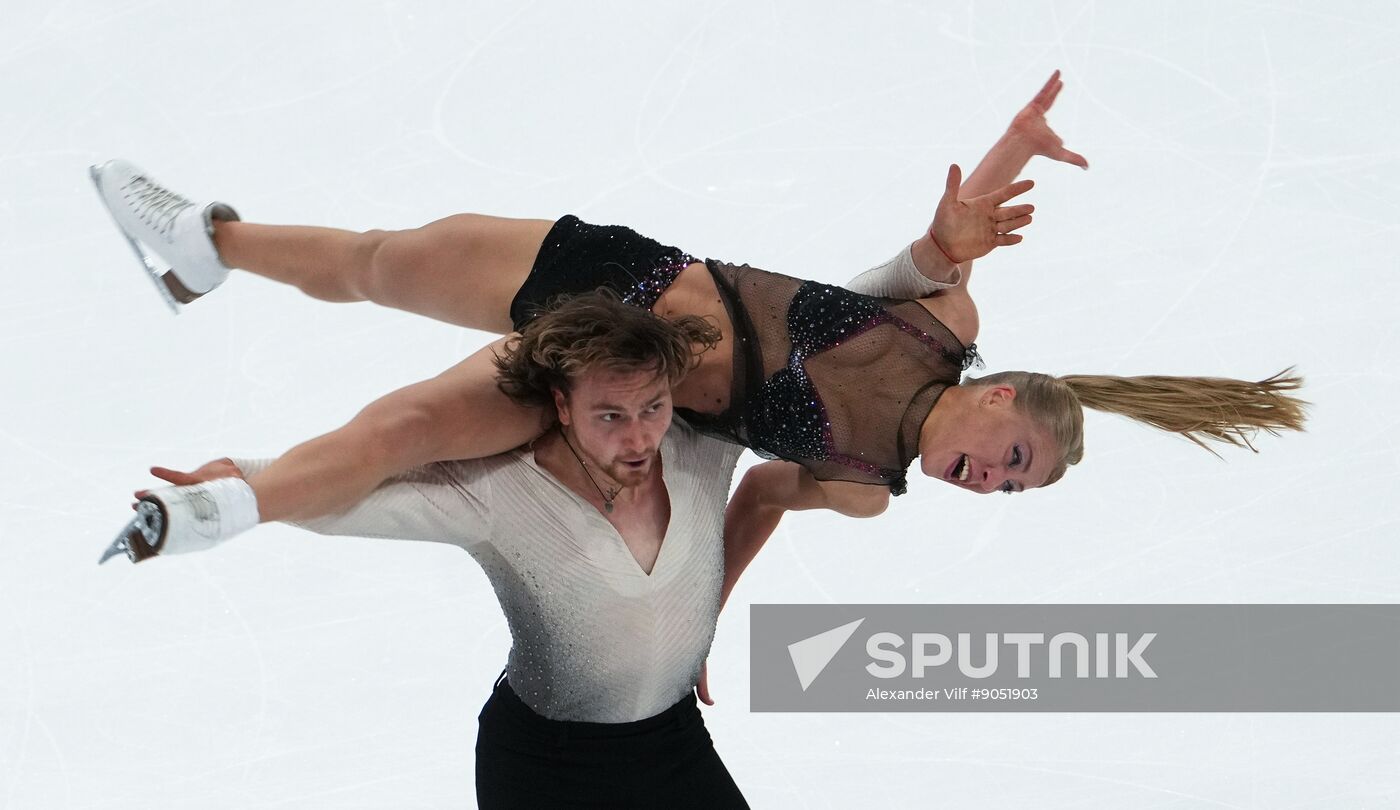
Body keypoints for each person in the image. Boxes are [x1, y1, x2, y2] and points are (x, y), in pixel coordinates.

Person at [90, 71, 1306, 541]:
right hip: (618, 273)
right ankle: (211, 246)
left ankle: (224, 507)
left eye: (1008, 492)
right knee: (381, 258)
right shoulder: (943, 324)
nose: (991, 486)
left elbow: (765, 495)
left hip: (615, 387)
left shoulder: (858, 486)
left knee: (405, 432)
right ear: (993, 397)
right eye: (1013, 460)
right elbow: (946, 238)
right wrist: (998, 158)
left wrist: (702, 626)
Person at [104, 291, 751, 808]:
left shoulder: (703, 451)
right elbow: (356, 500)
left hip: (673, 744)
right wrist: (251, 481)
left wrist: (698, 617)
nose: (639, 436)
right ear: (561, 403)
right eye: (611, 416)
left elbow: (794, 464)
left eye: (653, 407)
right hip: (548, 768)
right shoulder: (499, 493)